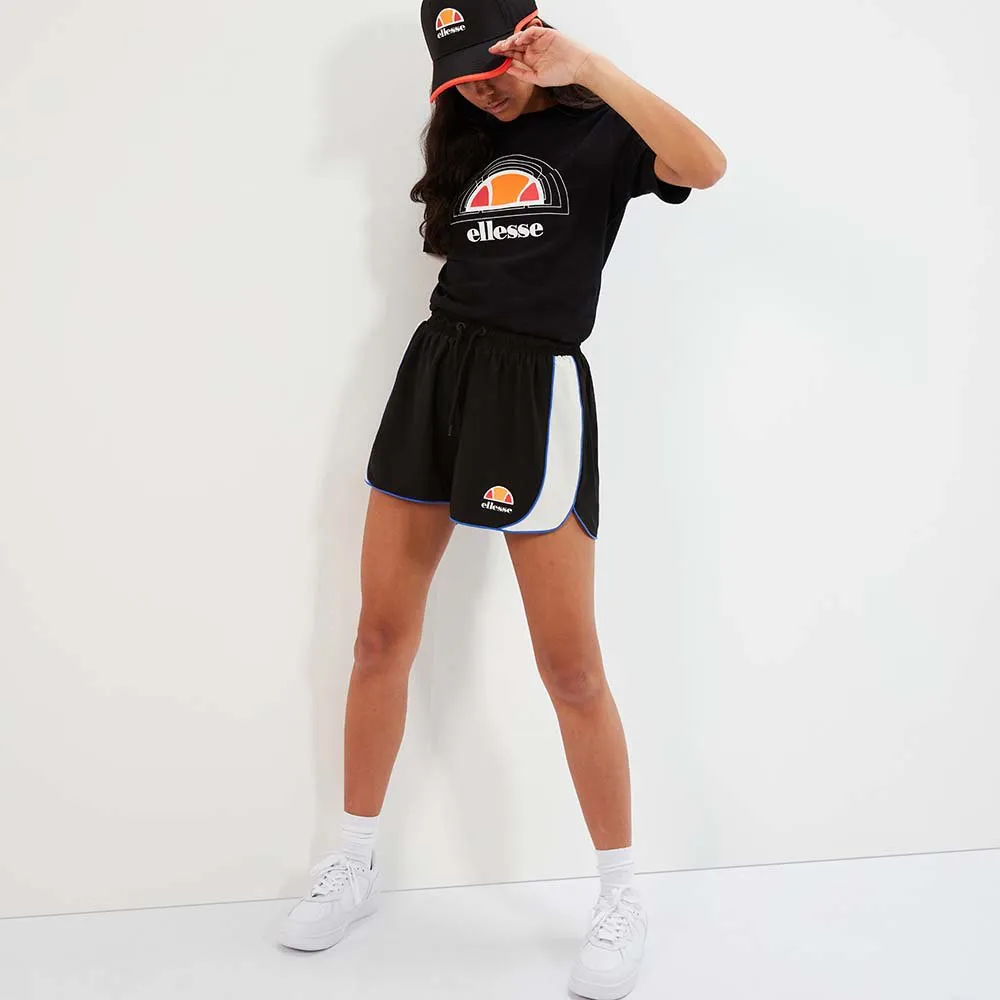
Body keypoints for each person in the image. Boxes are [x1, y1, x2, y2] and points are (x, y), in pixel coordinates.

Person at [277, 2, 725, 997]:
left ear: (530, 39)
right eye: (459, 77)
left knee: (570, 667)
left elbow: (704, 166)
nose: (478, 86)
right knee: (377, 639)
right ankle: (352, 860)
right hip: (435, 375)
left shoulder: (602, 131)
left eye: (492, 64)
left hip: (537, 388)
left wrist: (591, 69)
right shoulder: (467, 138)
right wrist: (482, 100)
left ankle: (620, 893)